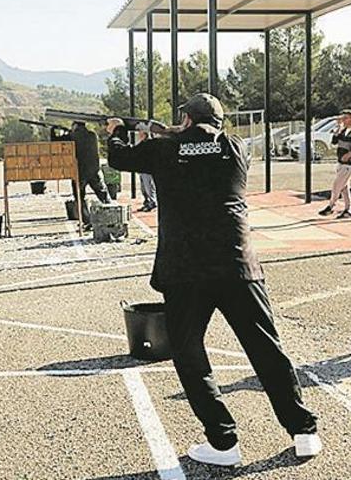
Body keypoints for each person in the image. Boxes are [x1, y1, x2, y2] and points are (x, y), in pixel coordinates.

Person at [106, 93, 321, 467]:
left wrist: (117, 131)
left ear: (186, 119)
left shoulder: (163, 149)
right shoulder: (236, 148)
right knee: (266, 350)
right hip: (238, 265)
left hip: (185, 270)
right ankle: (303, 431)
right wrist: (173, 132)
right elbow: (198, 145)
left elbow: (119, 157)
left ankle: (223, 442)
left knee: (190, 355)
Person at [318, 110, 351, 218]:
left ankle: (331, 206)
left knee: (337, 185)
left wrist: (350, 154)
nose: (343, 120)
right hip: (340, 162)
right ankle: (348, 209)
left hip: (349, 163)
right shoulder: (343, 130)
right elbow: (334, 141)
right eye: (342, 118)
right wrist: (338, 128)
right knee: (344, 187)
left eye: (345, 118)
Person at [69, 121, 110, 225]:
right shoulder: (92, 135)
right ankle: (111, 214)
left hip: (80, 171)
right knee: (103, 194)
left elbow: (57, 140)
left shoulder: (72, 136)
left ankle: (87, 221)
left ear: (75, 126)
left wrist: (53, 131)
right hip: (94, 169)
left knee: (79, 197)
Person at [136, 130, 158, 212]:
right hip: (141, 168)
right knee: (143, 188)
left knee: (149, 186)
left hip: (147, 169)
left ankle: (152, 202)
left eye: (141, 134)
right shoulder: (140, 144)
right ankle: (147, 202)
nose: (139, 136)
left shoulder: (149, 144)